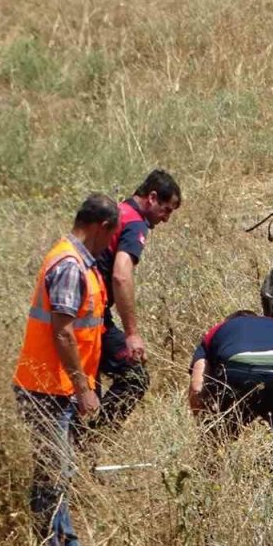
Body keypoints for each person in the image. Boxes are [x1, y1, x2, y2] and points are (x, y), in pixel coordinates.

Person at [13, 194, 120, 546]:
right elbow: (62, 332)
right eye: (111, 235)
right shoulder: (71, 265)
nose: (111, 244)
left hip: (56, 387)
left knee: (59, 470)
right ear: (100, 227)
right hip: (47, 389)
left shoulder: (79, 262)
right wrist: (83, 388)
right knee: (51, 474)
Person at [95, 169, 182, 429]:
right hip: (92, 315)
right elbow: (121, 275)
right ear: (152, 198)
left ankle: (82, 446)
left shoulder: (116, 212)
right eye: (166, 210)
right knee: (135, 377)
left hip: (80, 312)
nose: (166, 219)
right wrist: (132, 333)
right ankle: (93, 440)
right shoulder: (135, 223)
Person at [188, 311, 273, 438]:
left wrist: (204, 426)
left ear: (229, 321)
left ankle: (216, 448)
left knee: (220, 436)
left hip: (238, 371)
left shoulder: (218, 329)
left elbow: (197, 387)